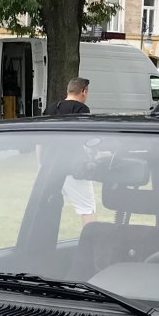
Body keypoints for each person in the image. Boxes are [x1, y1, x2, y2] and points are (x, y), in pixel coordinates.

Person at [51, 78, 97, 225]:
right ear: (83, 91)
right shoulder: (82, 109)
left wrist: (41, 164)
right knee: (87, 208)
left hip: (51, 167)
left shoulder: (50, 108)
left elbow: (41, 142)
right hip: (74, 167)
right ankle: (90, 245)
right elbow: (86, 140)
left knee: (51, 205)